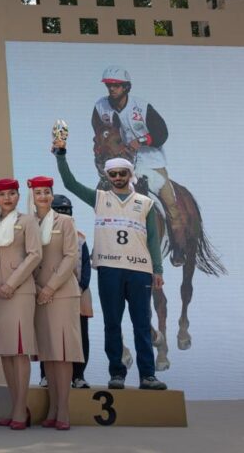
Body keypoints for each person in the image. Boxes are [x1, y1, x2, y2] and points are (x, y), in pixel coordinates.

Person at [53, 138, 168, 390]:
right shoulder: (99, 198)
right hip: (109, 269)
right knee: (112, 324)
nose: (117, 178)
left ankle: (147, 375)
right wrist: (60, 155)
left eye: (122, 173)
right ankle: (117, 373)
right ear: (107, 175)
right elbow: (70, 183)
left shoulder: (145, 203)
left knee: (141, 325)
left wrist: (157, 270)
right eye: (113, 174)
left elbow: (152, 238)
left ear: (130, 174)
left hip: (139, 271)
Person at [92, 66, 181, 255]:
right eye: (109, 85)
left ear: (126, 87)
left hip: (150, 161)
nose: (111, 89)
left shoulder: (141, 107)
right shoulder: (100, 107)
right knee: (102, 197)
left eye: (116, 85)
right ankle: (102, 242)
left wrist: (140, 141)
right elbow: (99, 132)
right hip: (120, 163)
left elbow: (162, 133)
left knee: (170, 202)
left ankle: (178, 246)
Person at [0, 178, 41, 430]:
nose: (8, 198)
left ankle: (19, 409)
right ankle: (17, 407)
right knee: (5, 351)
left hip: (20, 292)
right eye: (3, 194)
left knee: (19, 349)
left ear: (18, 196)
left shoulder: (27, 221)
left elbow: (35, 255)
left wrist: (11, 284)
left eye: (12, 194)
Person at [27, 176, 83, 431]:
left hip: (61, 293)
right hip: (37, 294)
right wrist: (38, 289)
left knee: (62, 353)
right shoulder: (26, 222)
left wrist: (49, 288)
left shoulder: (65, 221)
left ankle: (63, 410)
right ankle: (51, 409)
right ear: (32, 196)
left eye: (47, 192)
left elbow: (71, 257)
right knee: (48, 354)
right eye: (38, 192)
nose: (43, 196)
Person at [38, 194, 93, 389]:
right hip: (49, 294)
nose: (63, 214)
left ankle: (78, 376)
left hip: (77, 294)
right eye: (59, 211)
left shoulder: (80, 238)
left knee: (79, 337)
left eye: (67, 211)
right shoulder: (40, 236)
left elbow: (85, 267)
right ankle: (46, 376)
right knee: (48, 335)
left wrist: (80, 287)